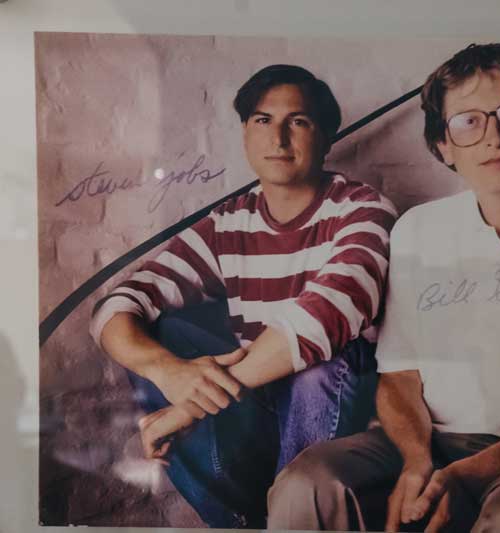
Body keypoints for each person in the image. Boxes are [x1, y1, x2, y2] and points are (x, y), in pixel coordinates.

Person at [267, 43, 500, 532]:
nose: (494, 137)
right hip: (427, 439)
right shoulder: (420, 230)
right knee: (308, 482)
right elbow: (400, 377)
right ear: (443, 146)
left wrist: (468, 474)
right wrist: (418, 460)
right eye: (468, 121)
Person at [89, 64, 397, 529]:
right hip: (256, 404)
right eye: (262, 120)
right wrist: (167, 371)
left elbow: (327, 316)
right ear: (244, 133)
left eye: (298, 121)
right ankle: (238, 522)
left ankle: (295, 517)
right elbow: (117, 304)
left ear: (327, 136)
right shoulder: (230, 222)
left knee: (320, 366)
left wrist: (186, 409)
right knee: (160, 332)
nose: (278, 138)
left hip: (343, 408)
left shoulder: (363, 208)